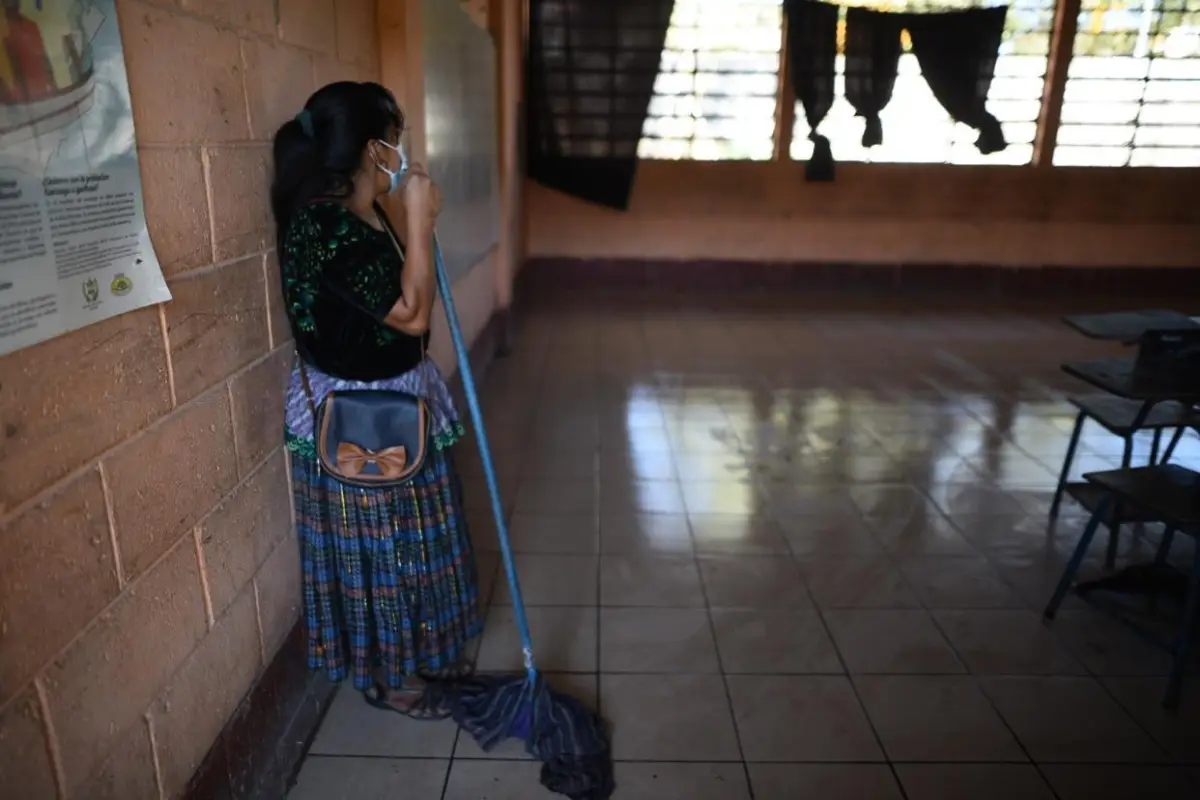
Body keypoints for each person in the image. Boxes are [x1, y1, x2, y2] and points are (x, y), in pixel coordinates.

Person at [270, 81, 481, 718]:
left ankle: (415, 653)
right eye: (396, 137)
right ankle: (385, 677)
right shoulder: (322, 224)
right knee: (381, 550)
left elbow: (410, 297)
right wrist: (422, 220)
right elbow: (413, 315)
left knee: (412, 542)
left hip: (400, 395)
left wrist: (413, 225)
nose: (403, 151)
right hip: (359, 417)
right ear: (372, 147)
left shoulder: (365, 213)